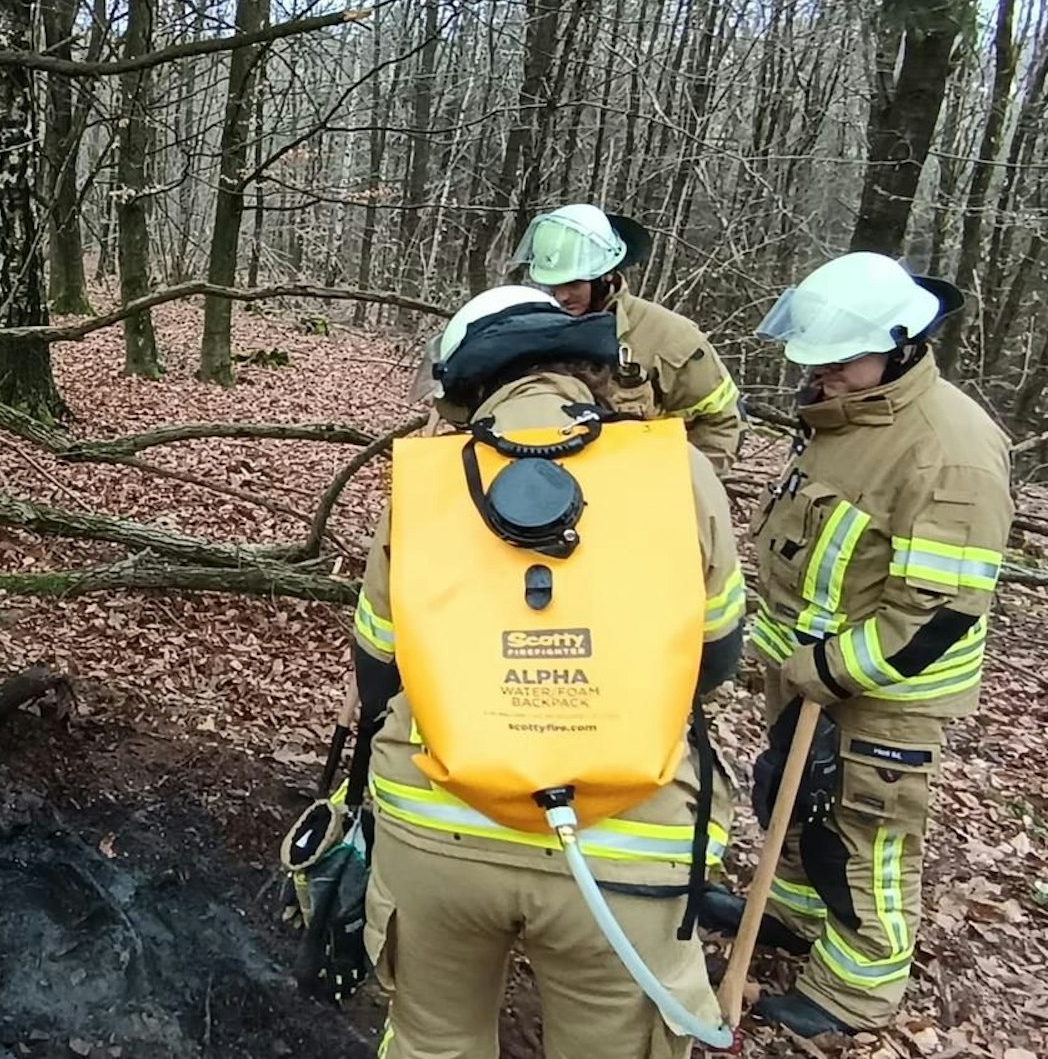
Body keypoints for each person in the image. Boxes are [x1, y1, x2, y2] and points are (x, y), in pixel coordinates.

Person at [353, 285, 746, 1058]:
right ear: (591, 367)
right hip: (625, 842)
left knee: (433, 1043)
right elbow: (717, 659)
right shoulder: (680, 471)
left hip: (439, 827)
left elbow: (377, 665)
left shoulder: (427, 479)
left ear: (469, 381)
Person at [698, 253, 1012, 1038]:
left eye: (840, 363)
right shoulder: (850, 417)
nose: (824, 378)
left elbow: (935, 614)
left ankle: (855, 989)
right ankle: (800, 912)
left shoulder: (951, 450)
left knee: (866, 835)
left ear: (901, 344)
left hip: (882, 694)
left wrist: (831, 668)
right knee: (798, 807)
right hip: (806, 676)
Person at [511, 203, 744, 473]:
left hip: (640, 491)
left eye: (574, 284)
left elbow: (721, 422)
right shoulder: (533, 332)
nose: (562, 296)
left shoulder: (671, 340)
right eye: (554, 285)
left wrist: (687, 487)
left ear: (606, 275)